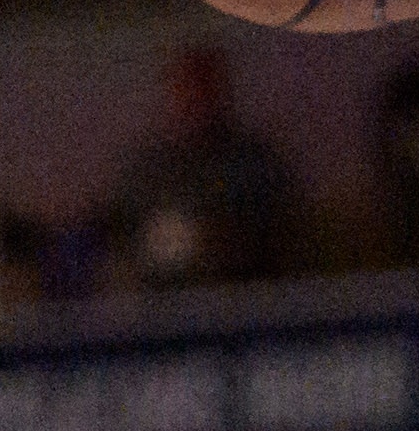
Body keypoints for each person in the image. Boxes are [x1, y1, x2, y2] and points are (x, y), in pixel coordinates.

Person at [107, 44, 302, 290]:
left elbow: (283, 240)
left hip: (245, 297)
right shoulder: (147, 170)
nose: (196, 97)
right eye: (186, 87)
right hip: (167, 301)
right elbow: (126, 243)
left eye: (204, 85)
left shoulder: (254, 161)